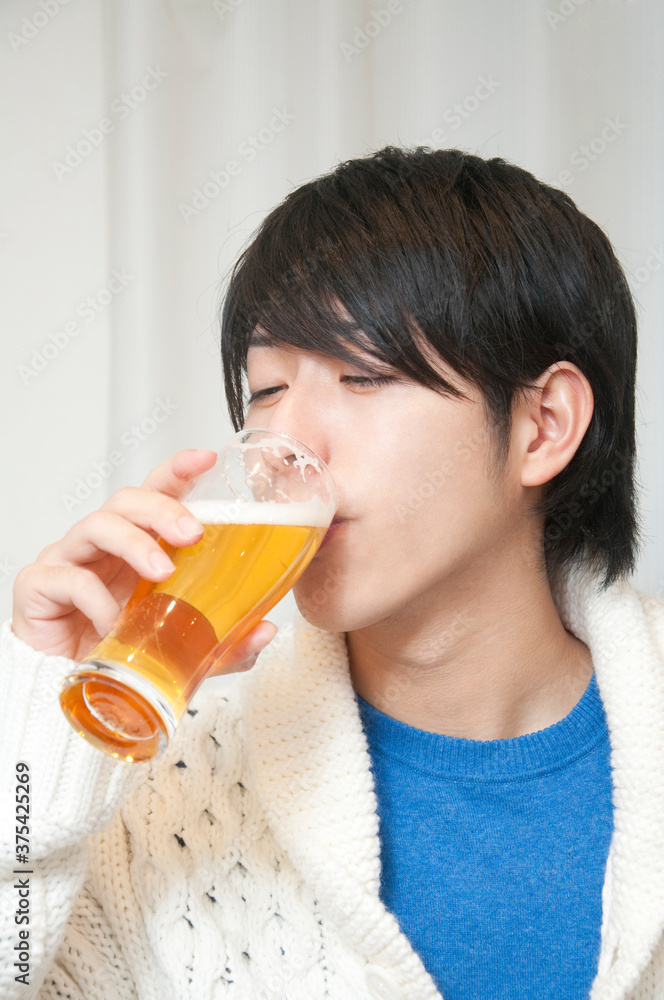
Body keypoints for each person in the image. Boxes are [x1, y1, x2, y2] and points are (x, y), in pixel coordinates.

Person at [2, 146, 663, 1000]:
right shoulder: (164, 798)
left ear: (544, 426)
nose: (286, 446)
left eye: (364, 375)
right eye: (267, 390)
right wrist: (41, 746)